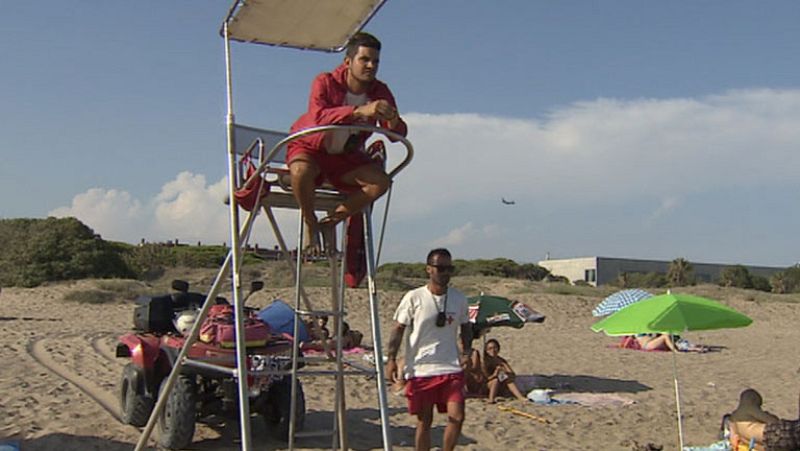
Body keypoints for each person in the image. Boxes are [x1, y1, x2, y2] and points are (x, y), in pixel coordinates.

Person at [286, 31, 408, 254]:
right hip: (311, 148)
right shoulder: (324, 81)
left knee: (380, 182)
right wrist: (359, 111)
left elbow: (396, 134)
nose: (371, 66)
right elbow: (318, 117)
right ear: (348, 61)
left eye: (376, 61)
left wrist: (392, 119)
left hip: (344, 157)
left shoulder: (380, 91)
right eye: (365, 59)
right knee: (301, 171)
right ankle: (310, 222)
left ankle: (332, 220)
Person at [385, 248, 472, 451]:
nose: (445, 273)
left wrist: (467, 351)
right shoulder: (414, 297)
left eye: (449, 268)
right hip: (421, 369)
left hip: (450, 367)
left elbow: (466, 326)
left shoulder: (459, 299)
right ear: (429, 269)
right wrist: (391, 359)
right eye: (440, 268)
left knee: (457, 417)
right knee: (425, 421)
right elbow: (398, 328)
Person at [482, 338, 527, 403]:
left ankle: (520, 397)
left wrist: (504, 371)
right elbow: (484, 379)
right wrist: (494, 374)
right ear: (486, 351)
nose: (493, 350)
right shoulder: (484, 362)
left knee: (506, 378)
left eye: (495, 348)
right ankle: (491, 399)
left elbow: (512, 375)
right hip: (487, 385)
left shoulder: (501, 360)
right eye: (490, 348)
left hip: (500, 386)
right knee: (495, 380)